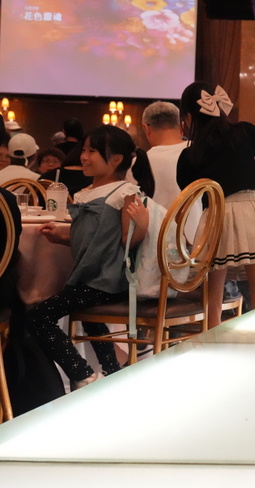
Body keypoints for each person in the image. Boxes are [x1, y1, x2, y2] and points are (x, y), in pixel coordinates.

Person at [25, 126, 154, 390]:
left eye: (92, 151)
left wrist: (141, 226)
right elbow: (93, 239)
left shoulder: (125, 192)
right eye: (83, 150)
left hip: (109, 279)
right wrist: (61, 236)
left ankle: (83, 375)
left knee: (38, 317)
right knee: (85, 316)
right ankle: (111, 372)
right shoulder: (86, 192)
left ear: (116, 159)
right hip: (91, 276)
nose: (83, 156)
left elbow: (129, 242)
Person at [176, 81, 255, 328]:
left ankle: (213, 339)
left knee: (213, 301)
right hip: (251, 211)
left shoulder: (189, 154)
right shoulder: (243, 131)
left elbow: (187, 194)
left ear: (188, 118)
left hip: (215, 218)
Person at [128, 100, 200, 240]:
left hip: (155, 243)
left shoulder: (139, 163)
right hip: (198, 240)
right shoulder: (199, 153)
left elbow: (132, 208)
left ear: (146, 128)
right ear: (182, 126)